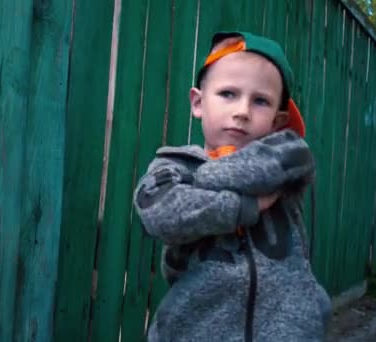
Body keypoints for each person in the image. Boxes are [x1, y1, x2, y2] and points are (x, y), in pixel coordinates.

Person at [133, 31, 331, 341]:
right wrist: (244, 207)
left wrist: (206, 181)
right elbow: (160, 213)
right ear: (198, 102)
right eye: (228, 94)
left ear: (278, 123)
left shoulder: (289, 156)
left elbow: (274, 164)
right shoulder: (174, 165)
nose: (242, 111)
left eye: (261, 101)